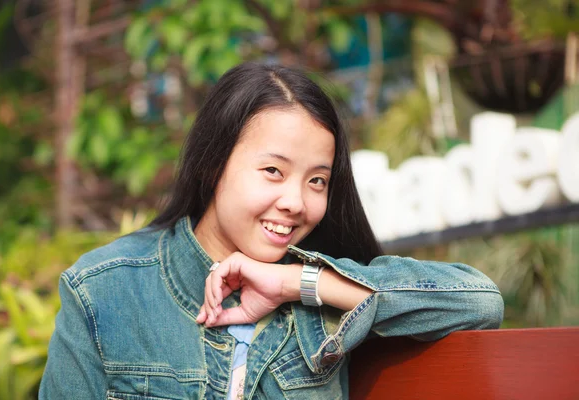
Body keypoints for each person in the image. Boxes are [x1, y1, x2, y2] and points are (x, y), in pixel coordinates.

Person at [39, 62, 504, 400]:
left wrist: (295, 283)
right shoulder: (105, 293)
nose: (297, 203)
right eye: (273, 171)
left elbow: (480, 302)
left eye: (317, 180)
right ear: (212, 165)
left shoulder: (325, 303)